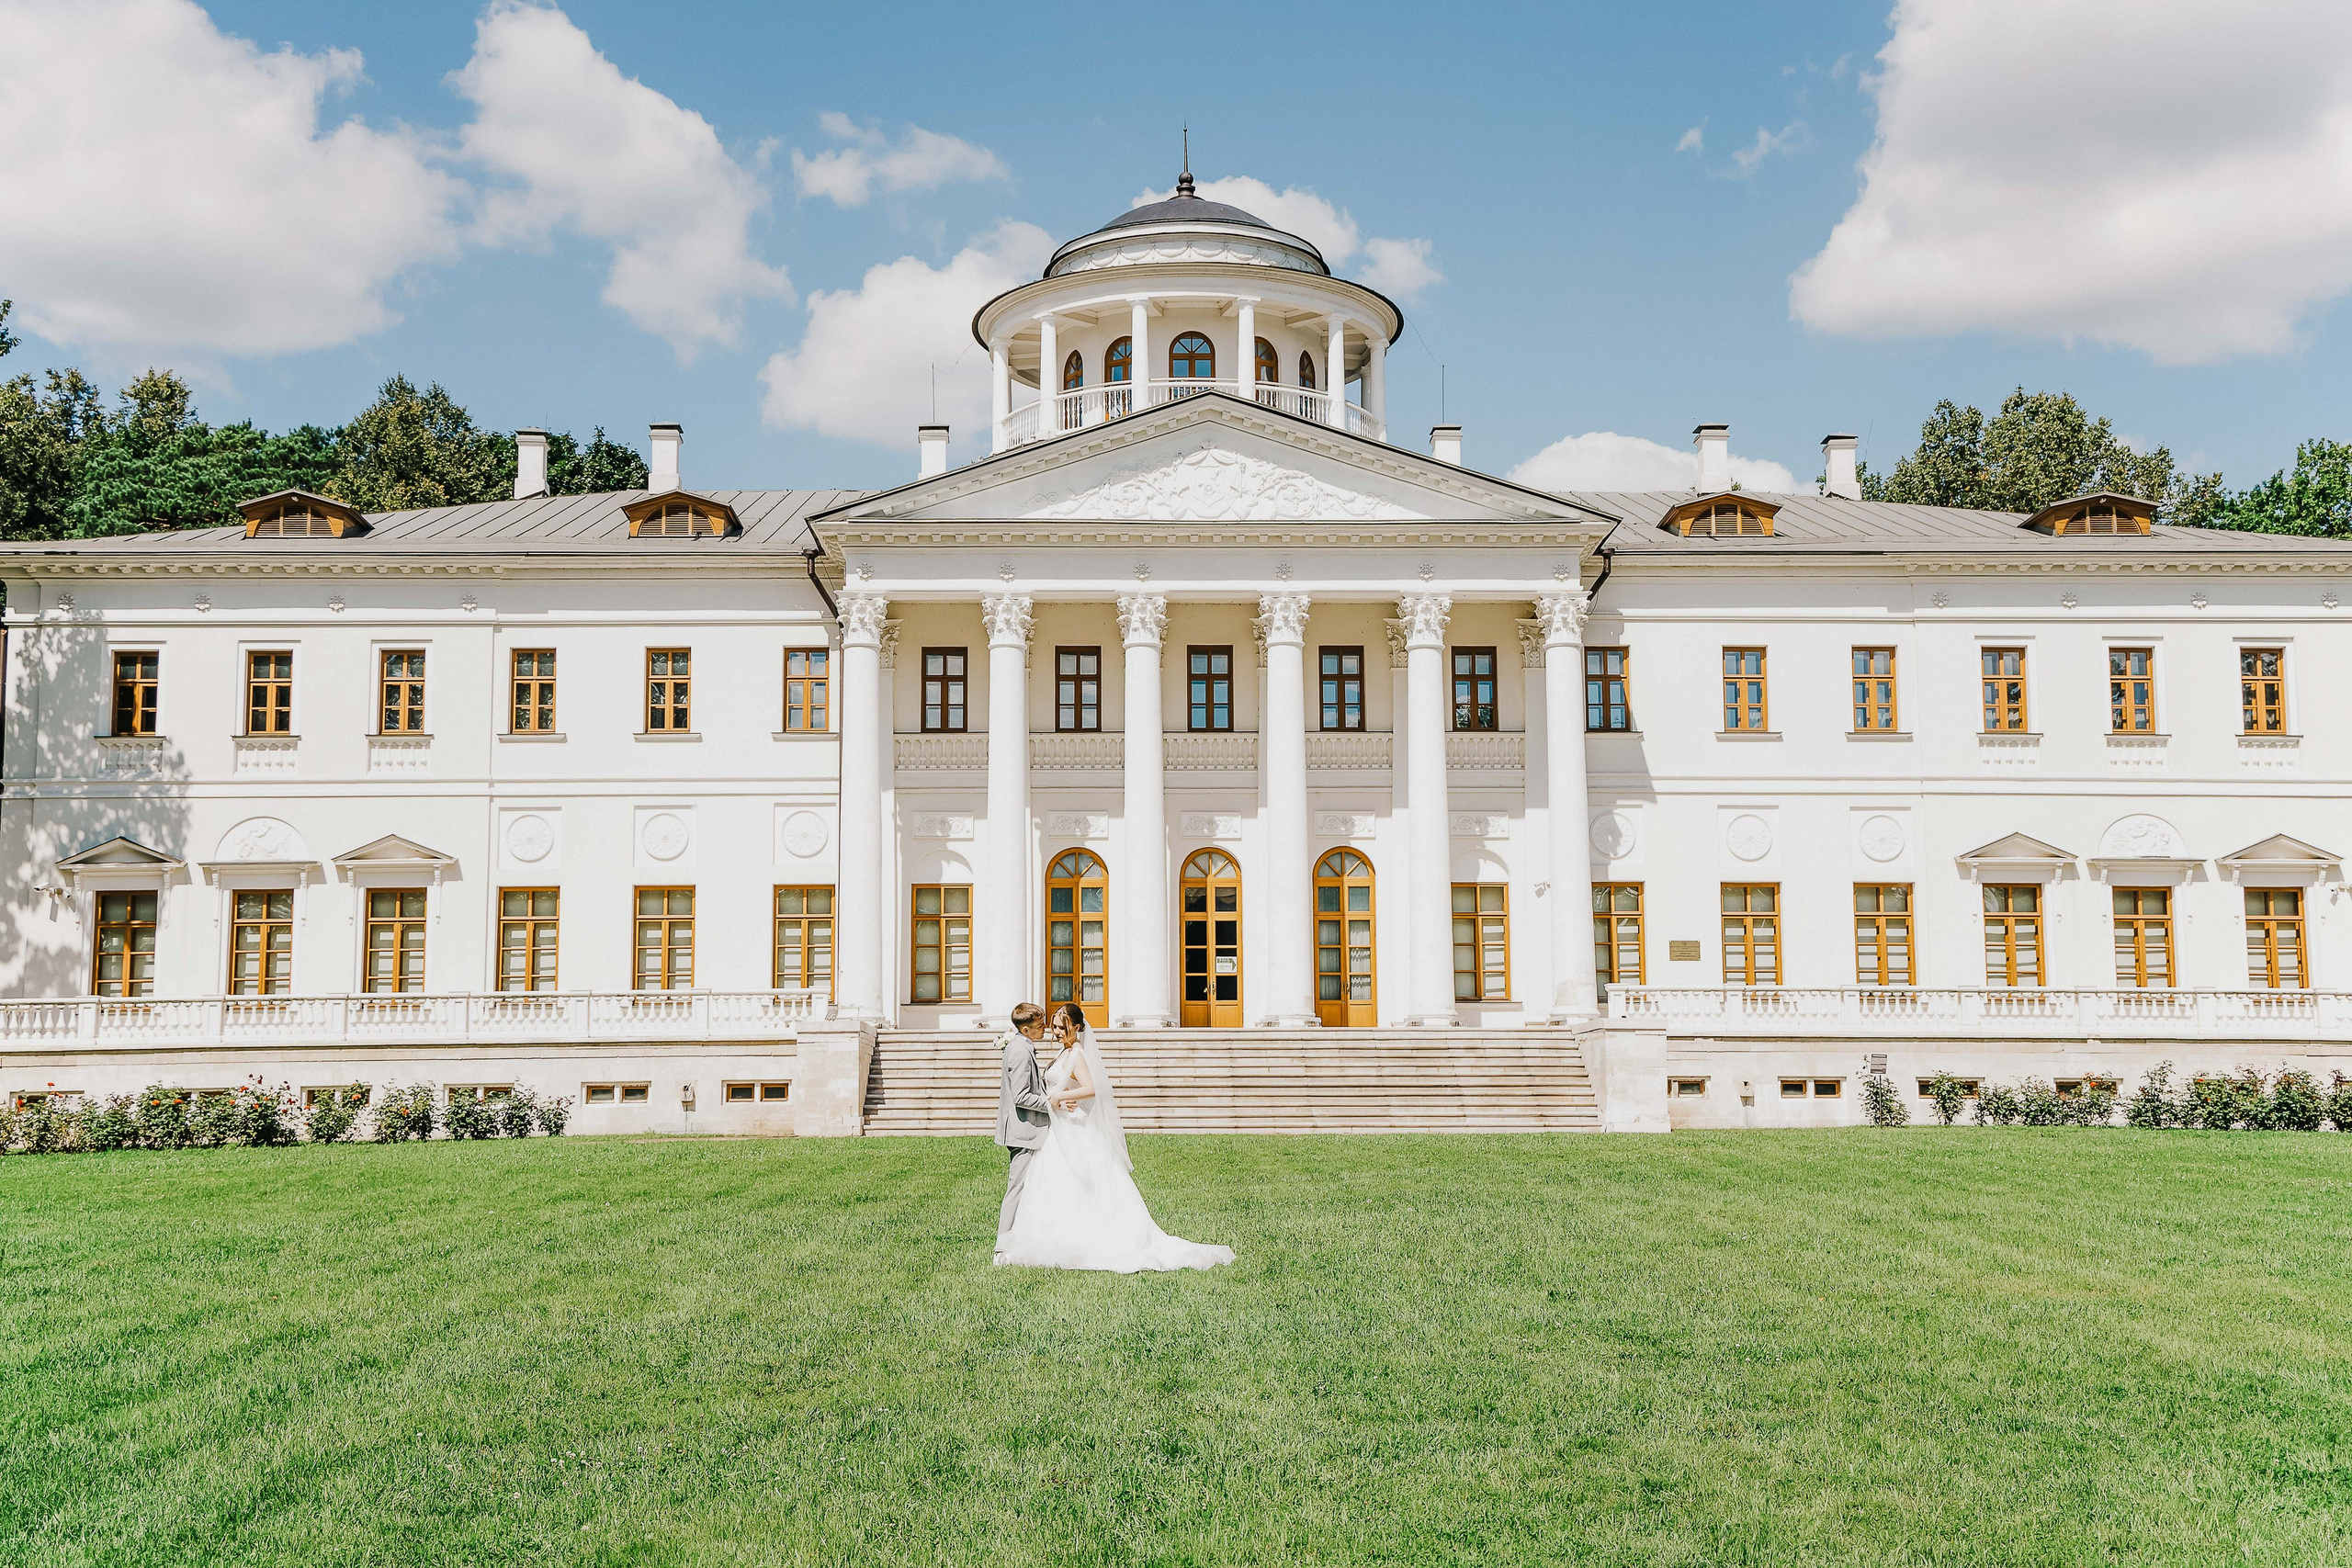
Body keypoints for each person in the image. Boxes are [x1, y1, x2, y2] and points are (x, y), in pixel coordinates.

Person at [996, 1002, 1236, 1273]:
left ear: (1077, 1028)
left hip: (1070, 1127)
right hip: (1056, 1129)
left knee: (1082, 1184)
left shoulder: (1078, 1054)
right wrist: (1056, 1101)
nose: (1056, 1032)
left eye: (1062, 1027)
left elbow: (1090, 1089)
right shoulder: (1060, 1052)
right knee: (1051, 1186)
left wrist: (1060, 1097)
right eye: (1053, 1027)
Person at [992, 1001, 1053, 1265]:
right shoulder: (1019, 1051)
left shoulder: (1022, 1046)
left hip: (1026, 1129)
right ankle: (1002, 1249)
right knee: (1016, 1188)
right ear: (1026, 1029)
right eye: (1040, 1026)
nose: (1045, 1029)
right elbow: (1020, 1096)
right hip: (1024, 1130)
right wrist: (1052, 1104)